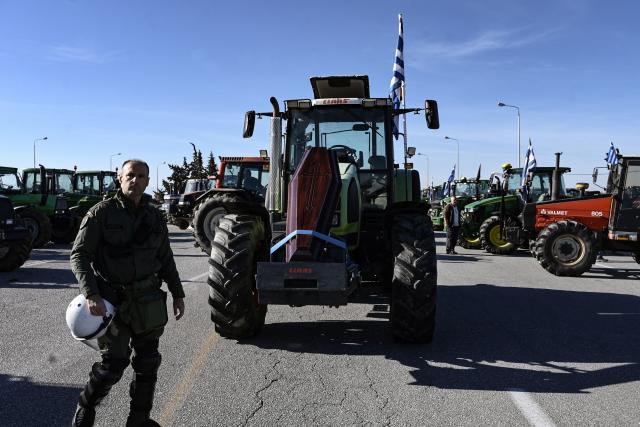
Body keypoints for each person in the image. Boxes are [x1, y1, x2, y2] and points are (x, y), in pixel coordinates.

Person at [69, 159, 185, 427]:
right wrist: (91, 293)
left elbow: (165, 258)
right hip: (114, 301)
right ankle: (86, 408)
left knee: (148, 363)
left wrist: (178, 293)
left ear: (147, 182)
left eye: (141, 176)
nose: (135, 180)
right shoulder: (101, 213)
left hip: (147, 301)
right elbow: (79, 255)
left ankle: (139, 420)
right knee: (114, 364)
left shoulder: (155, 216)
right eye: (130, 175)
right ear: (119, 179)